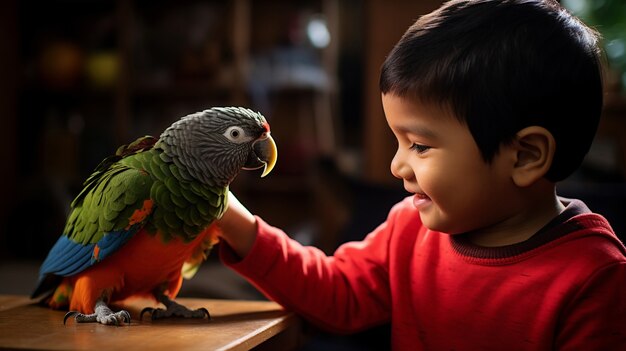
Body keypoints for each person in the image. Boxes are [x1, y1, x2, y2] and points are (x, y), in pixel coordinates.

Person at [216, 0, 626, 349]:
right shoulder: (409, 229)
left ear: (524, 157)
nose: (397, 166)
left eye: (420, 146)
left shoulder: (596, 279)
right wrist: (235, 220)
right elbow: (336, 294)